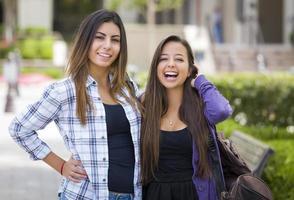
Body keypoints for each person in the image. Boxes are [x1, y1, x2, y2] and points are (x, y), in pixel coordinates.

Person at [9, 9, 142, 200]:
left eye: (115, 40)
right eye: (99, 37)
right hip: (86, 195)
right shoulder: (65, 90)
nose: (107, 46)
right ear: (85, 40)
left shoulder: (128, 89)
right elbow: (19, 128)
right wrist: (61, 165)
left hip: (133, 195)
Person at [141, 35, 232, 200]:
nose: (171, 64)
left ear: (190, 69)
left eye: (179, 59)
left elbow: (221, 110)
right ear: (156, 67)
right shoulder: (145, 105)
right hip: (155, 194)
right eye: (163, 59)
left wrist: (200, 81)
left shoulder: (200, 106)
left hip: (196, 193)